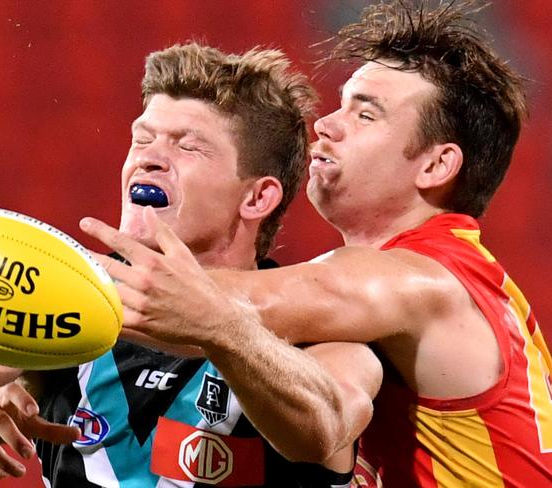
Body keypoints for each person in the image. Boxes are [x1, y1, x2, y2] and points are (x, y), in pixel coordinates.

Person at [79, 2, 552, 486]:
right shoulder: (452, 280)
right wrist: (5, 381)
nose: (325, 124)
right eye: (341, 104)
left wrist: (37, 281)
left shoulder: (421, 281)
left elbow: (201, 306)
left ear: (436, 166)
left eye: (366, 114)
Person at [0, 42, 382, 487]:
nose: (149, 160)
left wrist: (224, 330)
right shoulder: (75, 297)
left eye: (187, 146)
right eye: (142, 139)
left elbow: (324, 426)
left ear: (257, 197)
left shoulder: (315, 323)